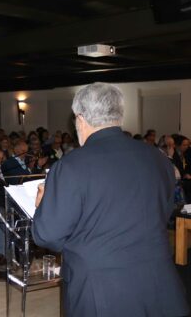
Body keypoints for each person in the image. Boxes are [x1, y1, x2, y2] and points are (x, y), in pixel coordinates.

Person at [32, 82, 189, 317]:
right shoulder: (158, 159)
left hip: (101, 288)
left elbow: (48, 235)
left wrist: (44, 207)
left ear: (80, 119)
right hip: (159, 279)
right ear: (119, 115)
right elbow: (163, 212)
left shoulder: (72, 165)